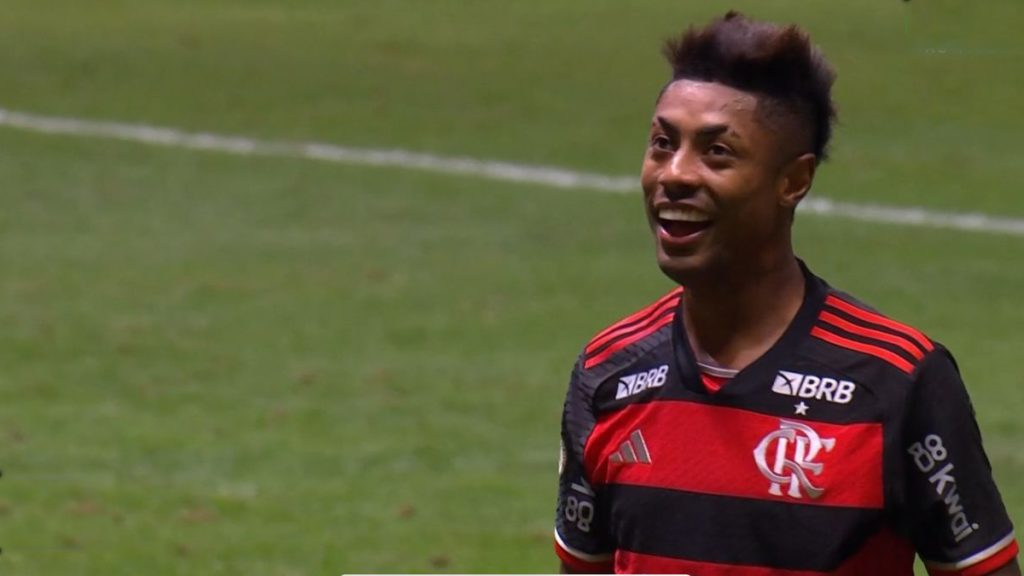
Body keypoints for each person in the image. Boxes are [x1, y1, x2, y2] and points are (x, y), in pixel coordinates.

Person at [553, 11, 1019, 576]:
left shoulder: (895, 381)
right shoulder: (607, 373)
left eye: (717, 152)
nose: (674, 174)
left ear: (793, 181)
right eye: (661, 143)